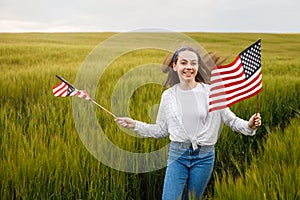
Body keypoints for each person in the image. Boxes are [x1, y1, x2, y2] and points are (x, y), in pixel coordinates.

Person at [115, 46, 261, 200]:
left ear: (198, 67)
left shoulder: (212, 92)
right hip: (178, 154)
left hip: (204, 157)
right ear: (175, 66)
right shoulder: (168, 96)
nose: (189, 67)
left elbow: (231, 120)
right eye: (183, 63)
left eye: (193, 63)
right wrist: (135, 125)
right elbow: (161, 130)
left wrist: (249, 125)